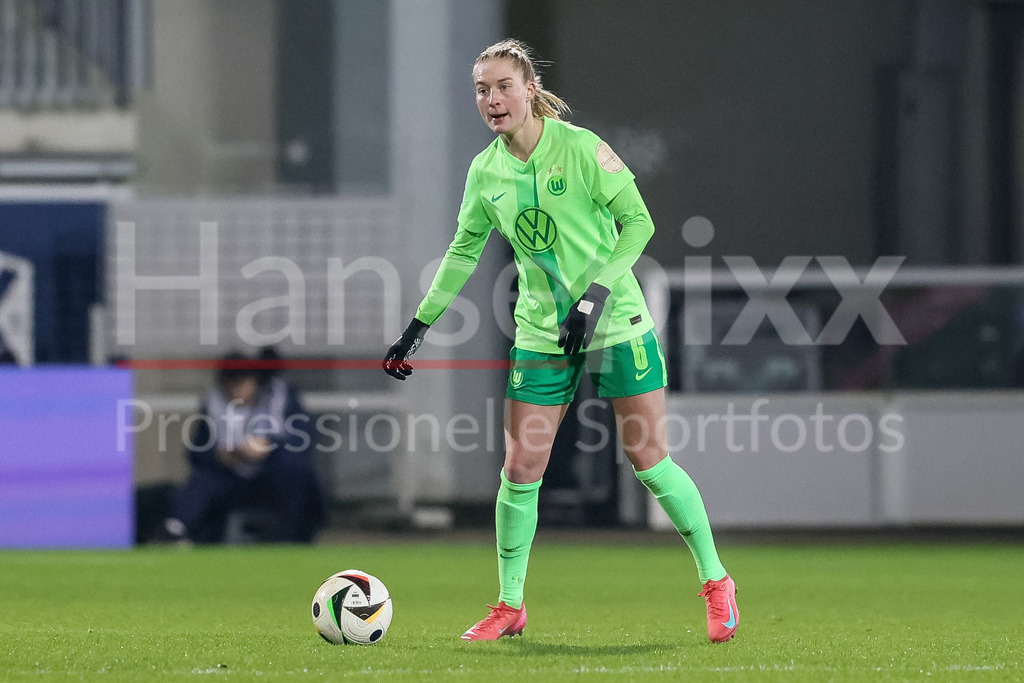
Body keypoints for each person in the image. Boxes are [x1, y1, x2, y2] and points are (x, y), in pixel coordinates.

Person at [383, 39, 739, 643]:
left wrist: (594, 294)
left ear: (527, 88)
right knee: (520, 467)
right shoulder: (486, 171)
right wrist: (418, 326)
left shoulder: (580, 149)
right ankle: (509, 605)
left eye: (502, 86)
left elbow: (640, 224)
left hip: (616, 321)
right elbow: (463, 252)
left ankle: (717, 582)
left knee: (649, 461)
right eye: (481, 90)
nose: (492, 100)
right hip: (542, 332)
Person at [164, 348, 325, 544]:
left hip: (271, 477)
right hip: (231, 479)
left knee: (296, 470)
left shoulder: (281, 399)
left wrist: (270, 447)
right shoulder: (214, 404)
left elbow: (303, 441)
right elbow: (196, 452)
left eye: (240, 383)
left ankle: (291, 535)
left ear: (254, 381)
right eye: (229, 385)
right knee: (202, 479)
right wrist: (220, 456)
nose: (235, 391)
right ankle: (175, 529)